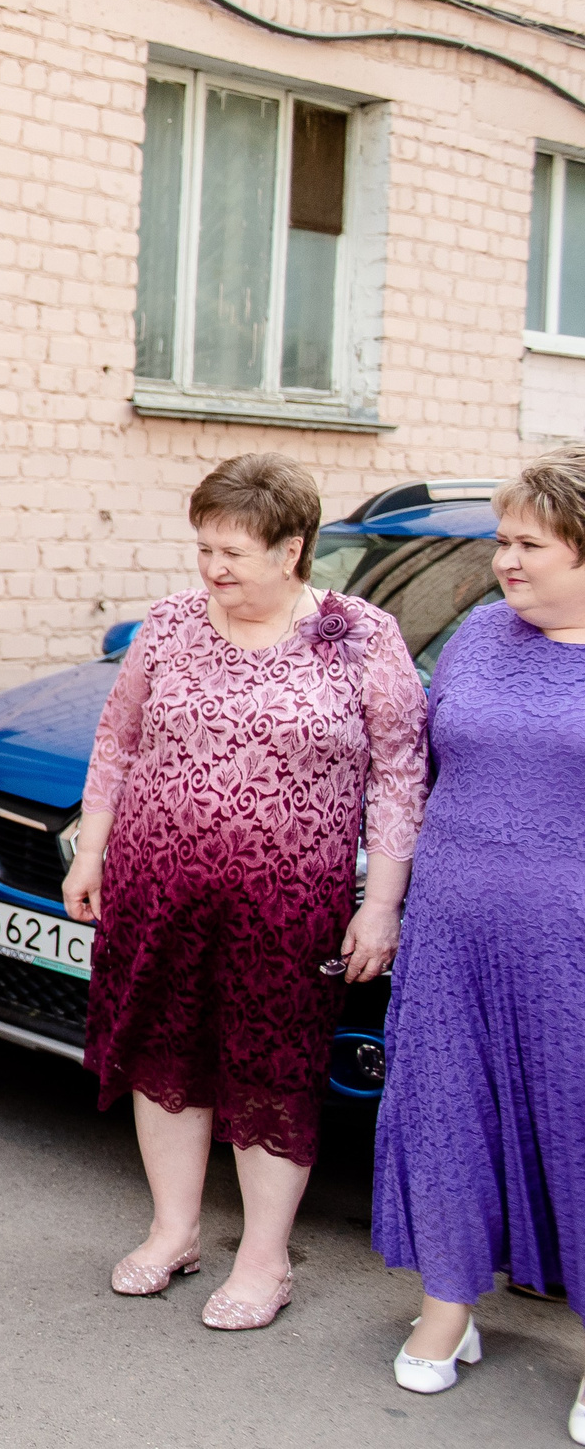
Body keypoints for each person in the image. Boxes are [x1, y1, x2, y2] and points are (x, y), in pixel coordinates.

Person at [63, 452, 426, 1331]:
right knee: (165, 1056)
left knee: (272, 1069)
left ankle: (265, 1260)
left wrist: (380, 901)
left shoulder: (363, 635)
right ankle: (173, 1232)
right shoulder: (175, 621)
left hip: (288, 904)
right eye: (204, 548)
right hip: (157, 886)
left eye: (234, 552)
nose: (214, 569)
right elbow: (118, 739)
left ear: (293, 547)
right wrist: (91, 852)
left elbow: (400, 773)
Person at [372, 446, 585, 1437]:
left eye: (527, 544)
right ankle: (448, 1306)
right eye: (500, 540)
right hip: (450, 928)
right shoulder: (478, 637)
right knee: (444, 1110)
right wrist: (389, 902)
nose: (504, 560)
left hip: (568, 947)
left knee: (574, 1132)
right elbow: (416, 773)